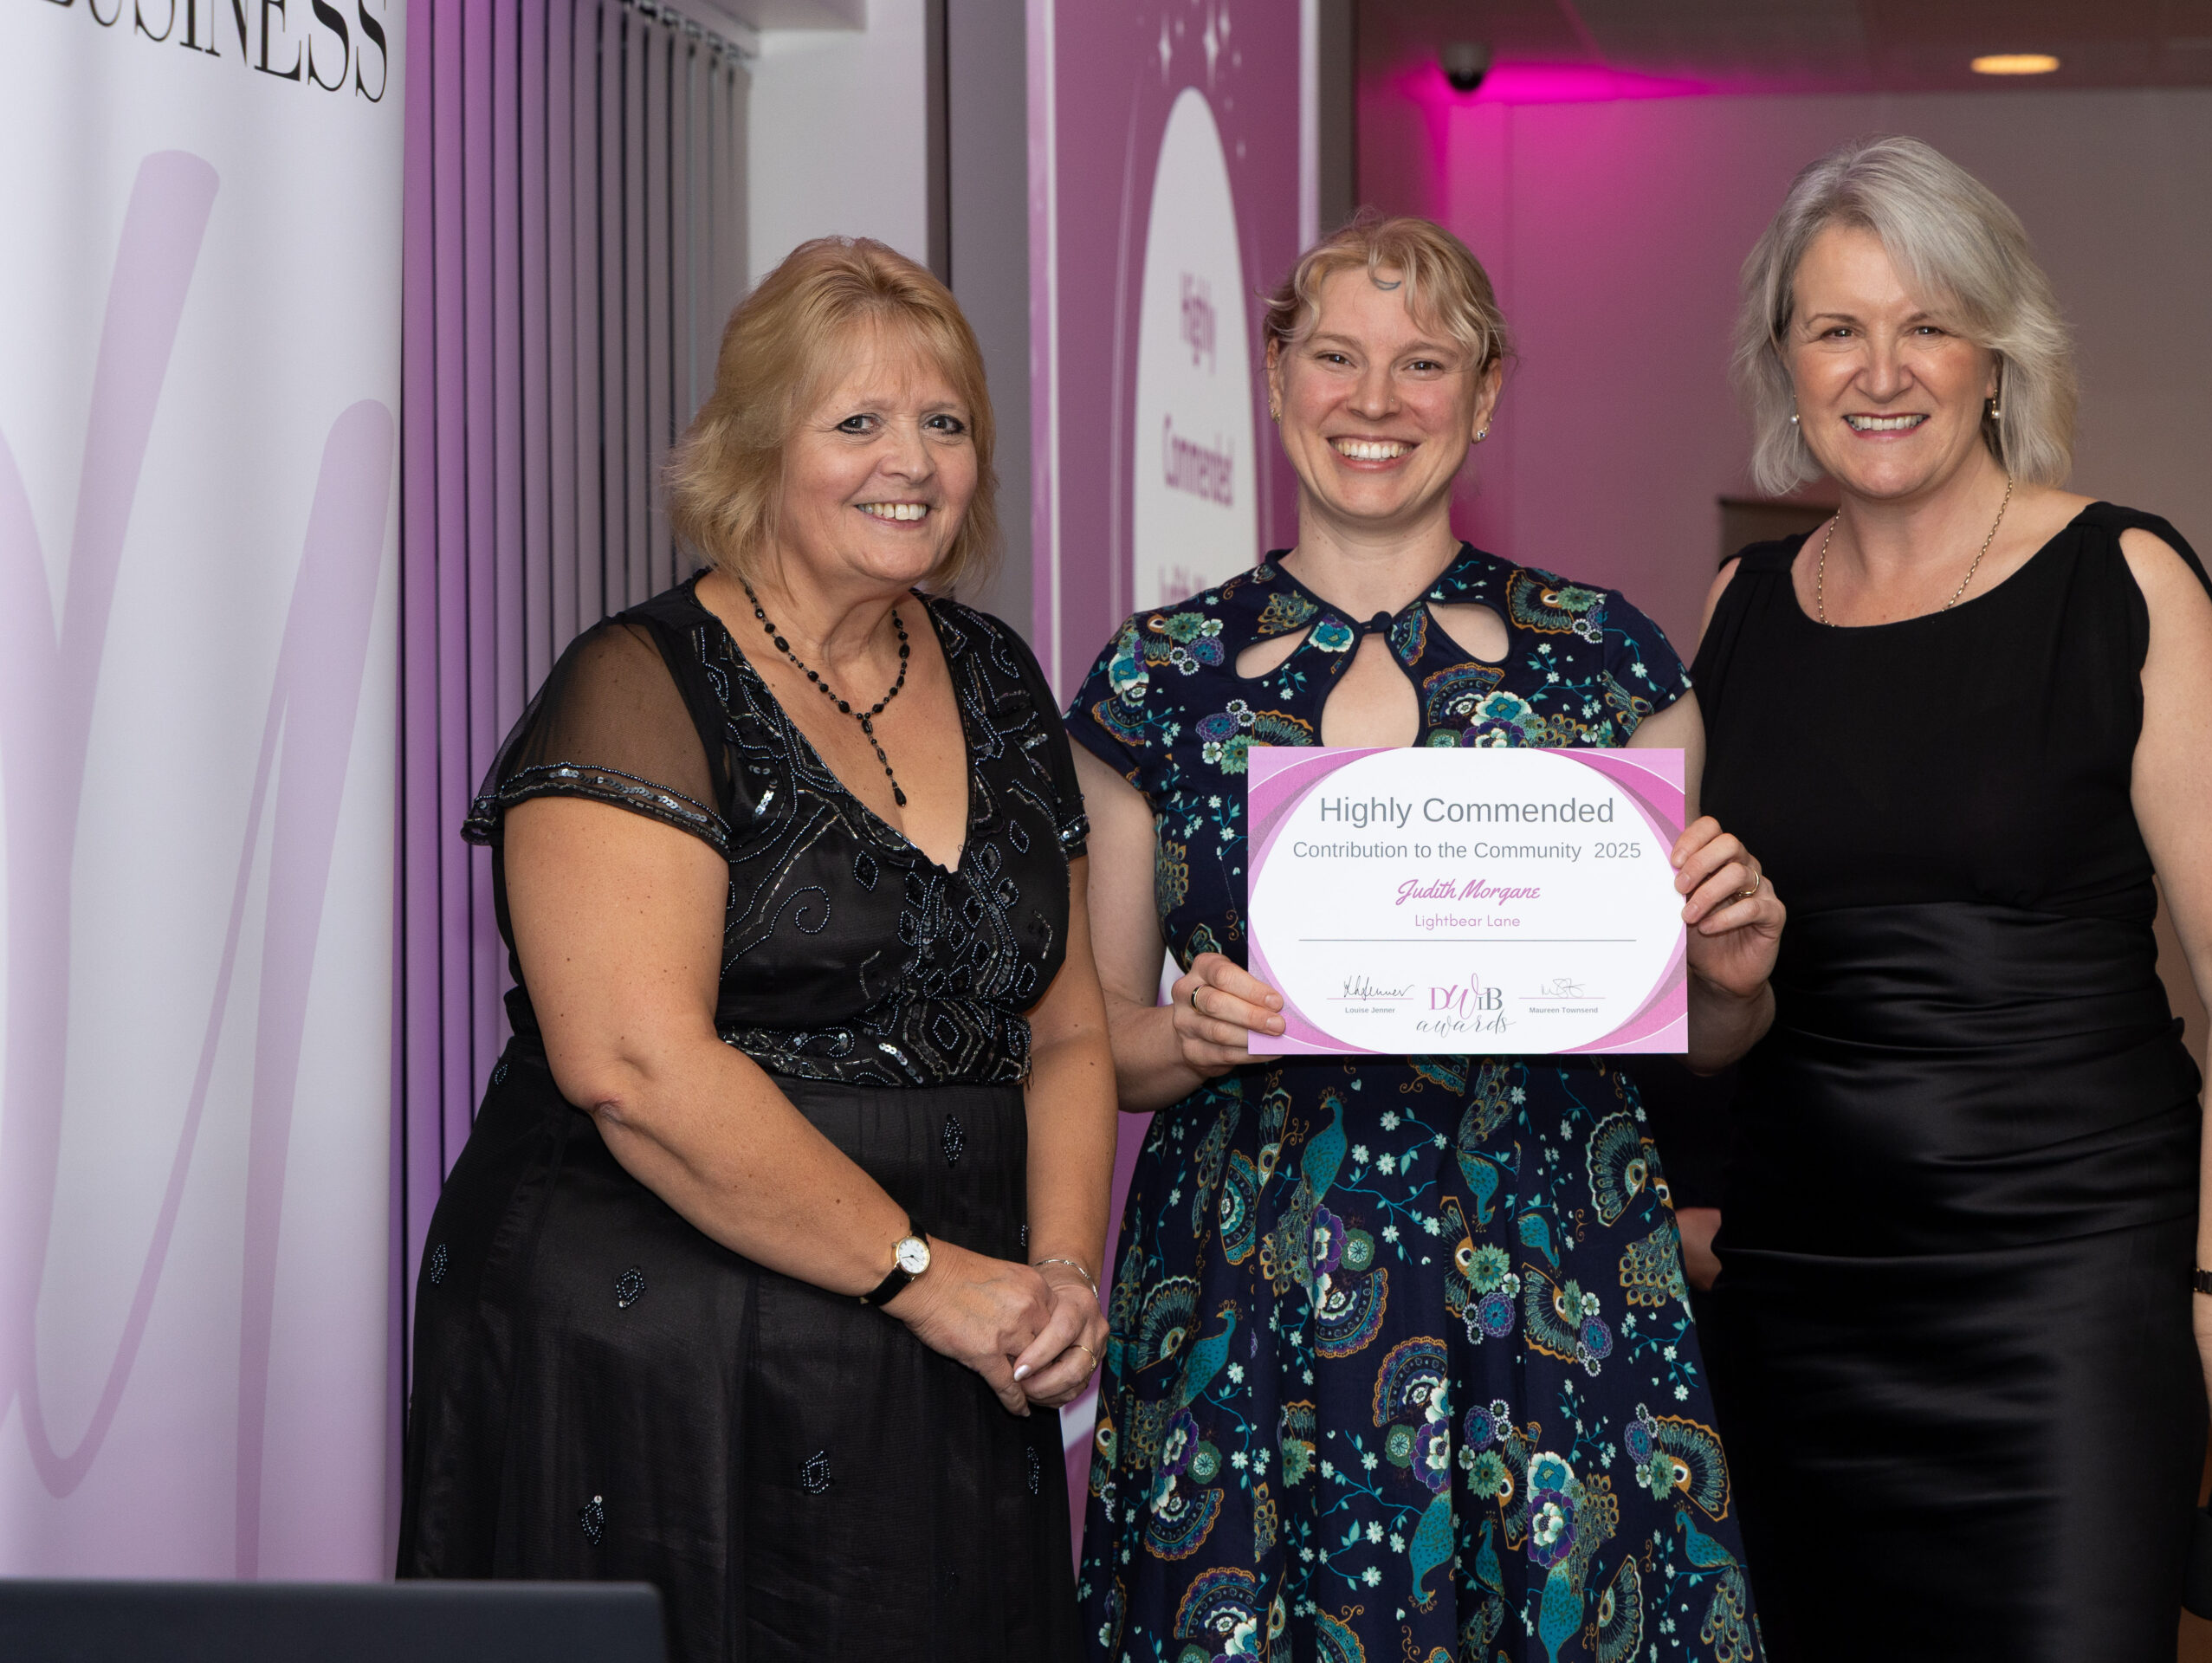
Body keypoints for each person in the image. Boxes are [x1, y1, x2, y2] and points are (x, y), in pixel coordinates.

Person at [1066, 213, 1784, 1663]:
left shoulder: (1610, 661)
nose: (1376, 401)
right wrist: (1188, 1031)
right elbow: (1100, 1050)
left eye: (1424, 363)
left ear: (1489, 390)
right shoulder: (1158, 678)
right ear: (1275, 377)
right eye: (1337, 357)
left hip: (1548, 1273)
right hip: (1246, 1290)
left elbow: (1697, 1036)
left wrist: (1733, 977)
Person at [398, 238, 1116, 1662]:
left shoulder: (1000, 677)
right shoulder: (635, 686)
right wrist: (927, 1276)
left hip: (961, 1355)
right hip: (661, 1359)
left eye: (945, 422)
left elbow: (1073, 1028)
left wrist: (1059, 1278)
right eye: (856, 423)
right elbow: (635, 1071)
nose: (909, 460)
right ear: (754, 450)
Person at [1694, 138, 2212, 1660]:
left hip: (2068, 1298)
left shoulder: (2124, 581)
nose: (1881, 368)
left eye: (1928, 322)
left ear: (1996, 354)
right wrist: (1725, 988)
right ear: (1786, 360)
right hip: (1798, 1306)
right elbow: (1716, 1005)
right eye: (1836, 326)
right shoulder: (1736, 613)